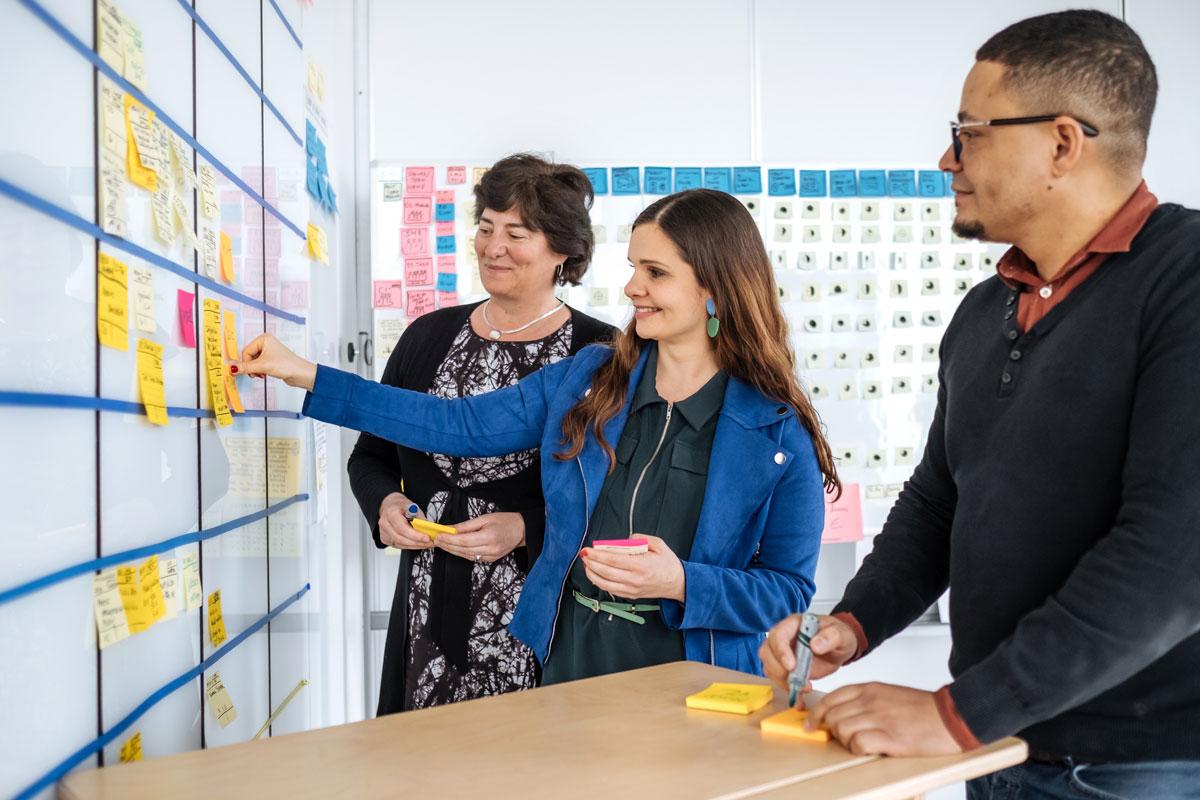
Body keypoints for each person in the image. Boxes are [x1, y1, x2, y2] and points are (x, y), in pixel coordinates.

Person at [759, 10, 1200, 799]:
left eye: (969, 133)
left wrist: (959, 714)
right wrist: (851, 624)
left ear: (1063, 143)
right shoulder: (984, 310)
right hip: (997, 751)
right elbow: (939, 502)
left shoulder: (1185, 284)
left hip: (1138, 764)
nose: (946, 158)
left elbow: (1174, 558)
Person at [235, 188, 838, 679]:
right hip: (571, 662)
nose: (632, 289)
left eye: (655, 272)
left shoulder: (777, 429)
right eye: (633, 268)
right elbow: (456, 424)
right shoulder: (591, 377)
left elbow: (786, 589)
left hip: (691, 677)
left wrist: (683, 581)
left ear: (715, 288)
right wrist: (303, 372)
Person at [346, 154, 615, 712]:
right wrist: (386, 501)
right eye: (486, 227)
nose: (494, 247)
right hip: (425, 601)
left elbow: (615, 489)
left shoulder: (599, 353)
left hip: (538, 611)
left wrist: (526, 527)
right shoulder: (428, 336)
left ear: (563, 250)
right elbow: (370, 454)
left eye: (516, 233)